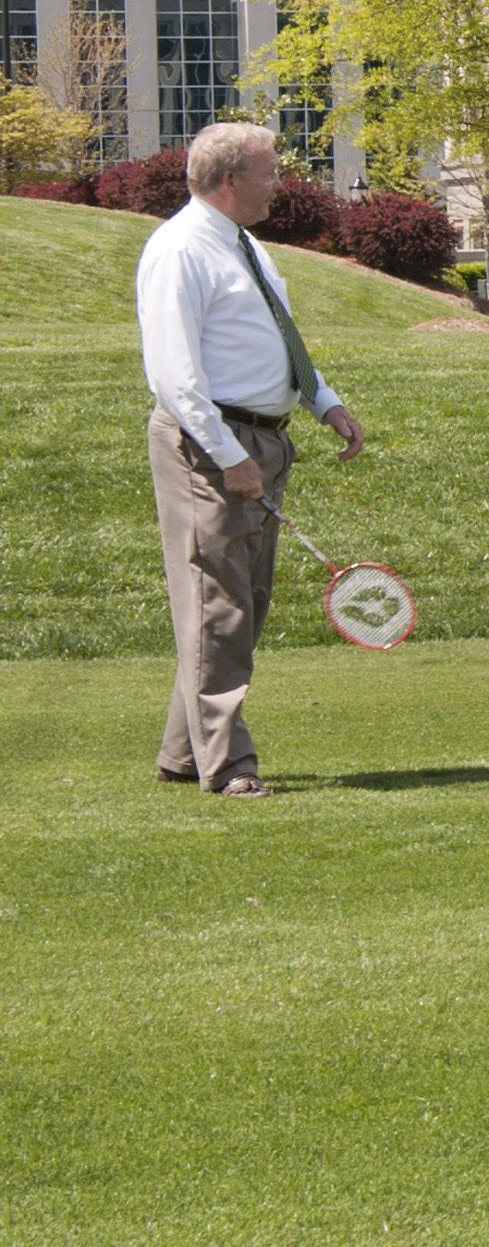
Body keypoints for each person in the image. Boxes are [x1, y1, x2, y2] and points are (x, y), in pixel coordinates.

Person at [135, 121, 368, 797]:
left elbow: (276, 337)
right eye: (270, 173)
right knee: (219, 608)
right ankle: (230, 764)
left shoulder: (245, 245)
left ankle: (185, 752)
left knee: (244, 605)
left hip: (264, 440)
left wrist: (324, 402)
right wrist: (228, 454)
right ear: (231, 180)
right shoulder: (180, 249)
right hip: (210, 446)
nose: (279, 185)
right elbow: (174, 376)